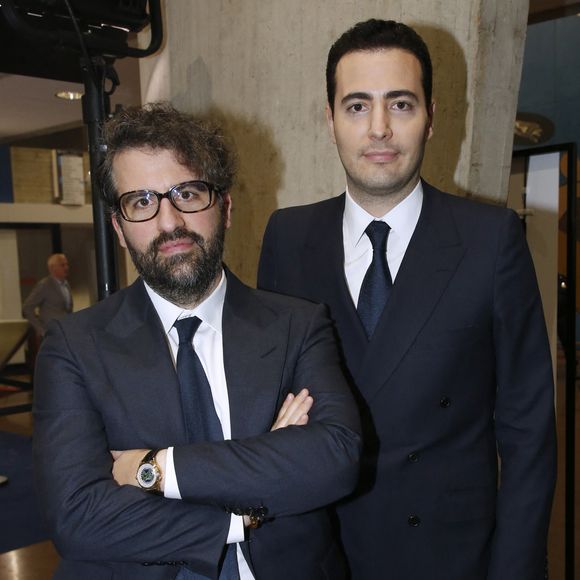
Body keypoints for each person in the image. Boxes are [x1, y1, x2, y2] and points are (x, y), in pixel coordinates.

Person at [258, 19, 556, 580]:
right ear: (329, 120)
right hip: (321, 552)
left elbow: (527, 432)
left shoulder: (489, 240)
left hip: (450, 557)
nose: (378, 130)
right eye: (356, 107)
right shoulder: (288, 238)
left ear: (431, 117)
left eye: (399, 105)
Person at [33, 103, 361, 580]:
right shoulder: (74, 346)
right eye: (141, 201)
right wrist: (248, 506)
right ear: (118, 229)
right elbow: (79, 516)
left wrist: (153, 469)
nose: (169, 223)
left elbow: (334, 459)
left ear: (224, 208)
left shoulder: (298, 325)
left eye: (187, 192)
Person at [22, 253, 73, 338]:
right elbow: (27, 308)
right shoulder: (45, 285)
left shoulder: (66, 285)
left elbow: (68, 309)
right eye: (62, 265)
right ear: (52, 268)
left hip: (65, 332)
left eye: (67, 264)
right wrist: (41, 330)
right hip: (52, 333)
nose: (66, 268)